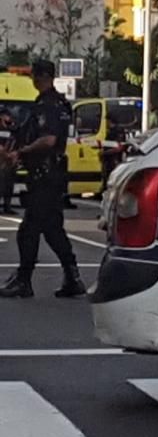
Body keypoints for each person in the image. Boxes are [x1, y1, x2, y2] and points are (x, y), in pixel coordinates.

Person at [0, 60, 85, 298]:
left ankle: (24, 280)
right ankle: (72, 276)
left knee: (28, 230)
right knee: (52, 229)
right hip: (51, 175)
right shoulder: (57, 104)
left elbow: (47, 139)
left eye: (34, 76)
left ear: (40, 77)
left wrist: (22, 152)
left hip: (45, 176)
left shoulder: (47, 105)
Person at [0, 108, 16, 214]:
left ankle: (7, 206)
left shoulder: (12, 128)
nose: (8, 118)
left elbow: (15, 141)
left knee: (9, 185)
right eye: (5, 116)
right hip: (1, 159)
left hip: (9, 162)